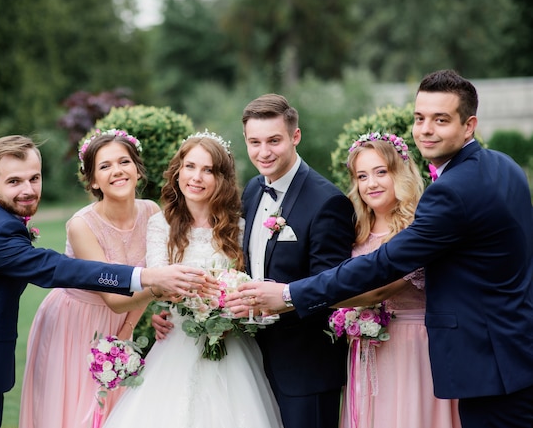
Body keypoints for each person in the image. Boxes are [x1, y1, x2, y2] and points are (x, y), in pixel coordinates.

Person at [228, 70, 533, 428]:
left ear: (469, 126)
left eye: (441, 120)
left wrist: (290, 293)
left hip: (486, 361)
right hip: (515, 350)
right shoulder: (504, 166)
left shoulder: (452, 191)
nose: (426, 129)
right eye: (420, 118)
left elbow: (385, 264)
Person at [0, 135, 209, 428]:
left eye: (34, 178)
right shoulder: (1, 233)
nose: (28, 190)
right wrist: (147, 278)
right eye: (15, 182)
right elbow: (58, 269)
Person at [102, 131, 284, 428]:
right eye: (190, 166)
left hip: (232, 343)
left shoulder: (239, 227)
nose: (196, 177)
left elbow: (253, 283)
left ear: (220, 179)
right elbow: (158, 282)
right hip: (177, 339)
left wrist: (230, 311)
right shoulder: (160, 224)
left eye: (207, 170)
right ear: (178, 172)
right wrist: (173, 302)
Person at [19, 131, 161, 428]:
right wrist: (160, 285)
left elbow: (144, 281)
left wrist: (127, 330)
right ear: (94, 180)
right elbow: (115, 297)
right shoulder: (81, 225)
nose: (118, 170)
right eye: (105, 166)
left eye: (124, 161)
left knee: (117, 413)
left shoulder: (152, 212)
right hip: (74, 323)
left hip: (120, 323)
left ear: (137, 169)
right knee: (75, 412)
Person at [240, 94, 356, 428]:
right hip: (252, 361)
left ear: (295, 136)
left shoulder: (327, 201)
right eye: (255, 142)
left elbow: (331, 287)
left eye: (274, 141)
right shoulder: (252, 190)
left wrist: (279, 297)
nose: (264, 152)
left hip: (305, 367)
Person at [333, 134, 460, 428]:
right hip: (366, 352)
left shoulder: (419, 227)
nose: (371, 183)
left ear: (400, 174)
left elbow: (384, 288)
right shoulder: (356, 230)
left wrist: (312, 299)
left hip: (412, 344)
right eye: (362, 176)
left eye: (381, 172)